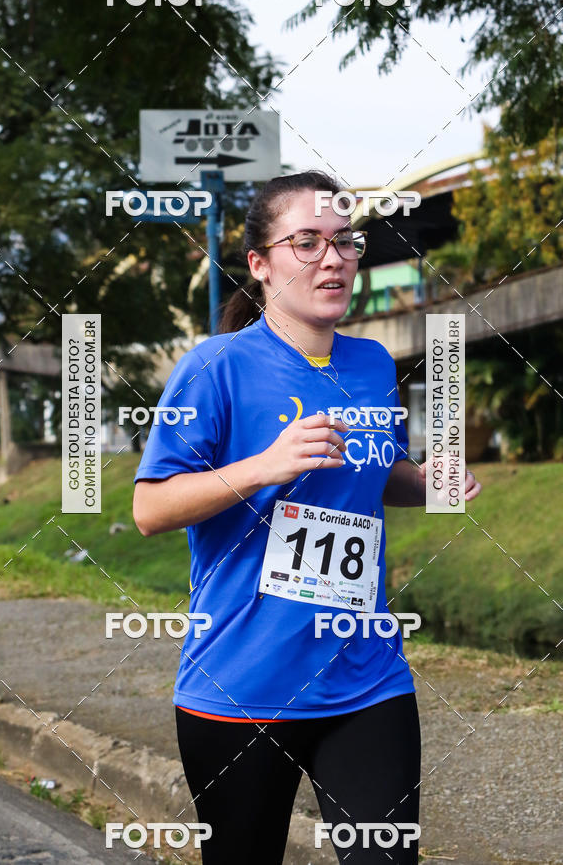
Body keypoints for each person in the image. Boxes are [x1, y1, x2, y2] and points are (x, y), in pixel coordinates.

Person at [133, 170, 482, 864]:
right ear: (260, 264)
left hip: (366, 677)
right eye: (307, 242)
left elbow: (373, 474)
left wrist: (426, 482)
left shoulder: (372, 364)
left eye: (345, 241)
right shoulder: (214, 368)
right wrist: (263, 466)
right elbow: (150, 508)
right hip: (242, 685)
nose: (333, 258)